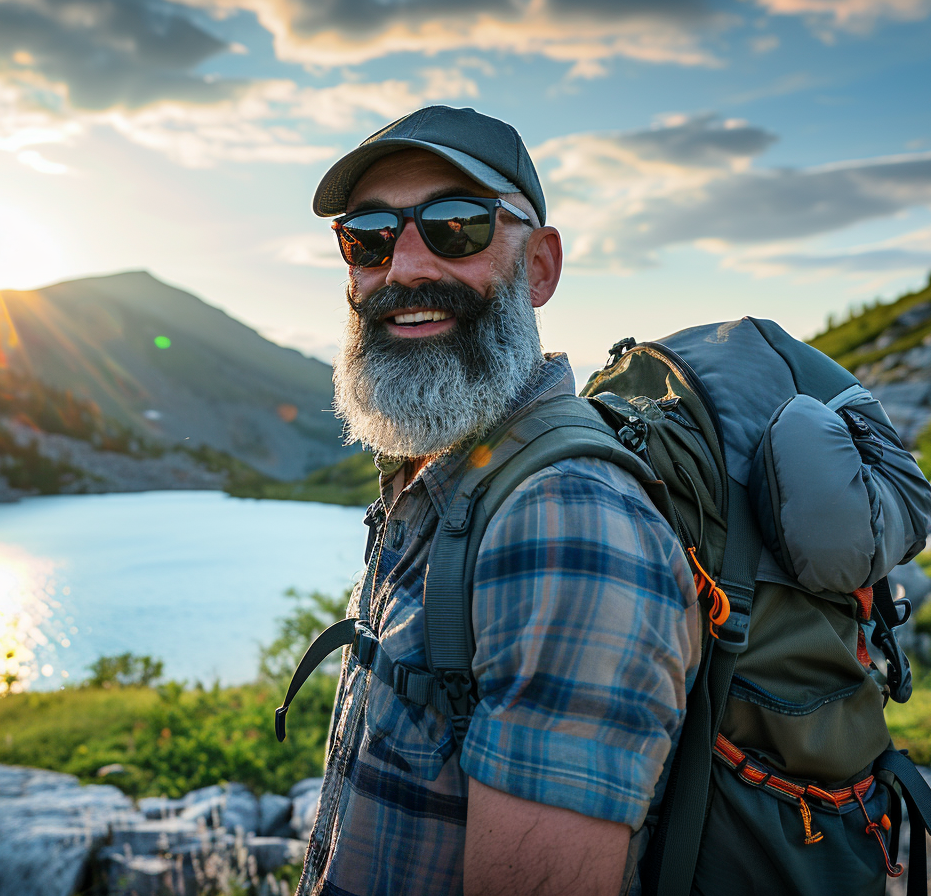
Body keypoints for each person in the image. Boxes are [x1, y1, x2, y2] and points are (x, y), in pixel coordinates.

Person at [299, 105, 701, 895]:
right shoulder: (440, 475)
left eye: (456, 226)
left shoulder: (564, 518)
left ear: (541, 268)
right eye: (369, 237)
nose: (404, 267)